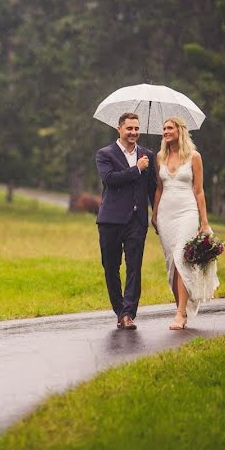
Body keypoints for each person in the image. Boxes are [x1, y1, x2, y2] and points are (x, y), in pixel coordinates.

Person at [151, 116, 219, 330]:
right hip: (165, 215)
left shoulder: (194, 157)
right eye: (164, 128)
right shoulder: (160, 157)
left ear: (180, 131)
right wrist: (154, 214)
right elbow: (159, 189)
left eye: (169, 128)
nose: (166, 131)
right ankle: (180, 307)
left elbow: (199, 191)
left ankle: (180, 313)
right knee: (172, 264)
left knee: (182, 258)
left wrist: (204, 221)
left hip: (187, 212)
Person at [95, 112, 157, 330]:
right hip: (110, 221)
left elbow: (152, 189)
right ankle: (119, 309)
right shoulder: (105, 154)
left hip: (137, 221)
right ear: (119, 129)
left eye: (136, 129)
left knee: (134, 268)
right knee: (111, 267)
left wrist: (155, 213)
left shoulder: (148, 155)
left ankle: (128, 314)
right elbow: (110, 179)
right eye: (129, 128)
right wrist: (136, 169)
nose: (133, 133)